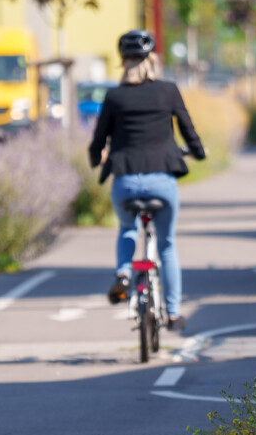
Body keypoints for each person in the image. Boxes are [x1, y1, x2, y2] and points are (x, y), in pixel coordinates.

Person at [87, 29, 206, 332]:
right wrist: (197, 152)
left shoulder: (114, 96)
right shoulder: (167, 90)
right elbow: (188, 129)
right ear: (152, 59)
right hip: (161, 182)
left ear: (122, 61)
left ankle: (124, 273)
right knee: (166, 245)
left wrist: (96, 158)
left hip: (125, 180)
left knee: (128, 228)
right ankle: (174, 313)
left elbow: (98, 140)